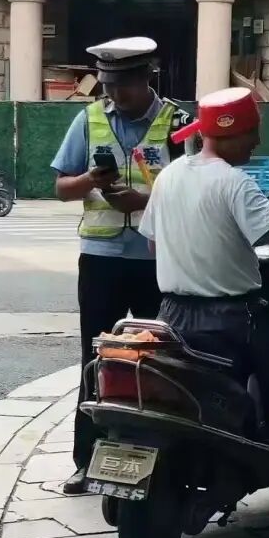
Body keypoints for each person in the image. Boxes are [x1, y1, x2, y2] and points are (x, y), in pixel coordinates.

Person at [139, 86, 269, 537]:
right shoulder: (235, 183)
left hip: (172, 317)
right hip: (235, 320)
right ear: (229, 134)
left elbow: (156, 245)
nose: (256, 143)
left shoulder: (169, 177)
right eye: (252, 133)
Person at [51, 37, 194, 494]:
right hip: (101, 261)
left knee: (163, 360)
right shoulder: (89, 118)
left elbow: (195, 190)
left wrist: (144, 201)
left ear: (147, 77)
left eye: (123, 86)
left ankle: (167, 458)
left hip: (158, 262)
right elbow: (62, 188)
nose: (114, 94)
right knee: (97, 360)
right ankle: (86, 460)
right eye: (108, 85)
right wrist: (91, 179)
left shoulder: (178, 122)